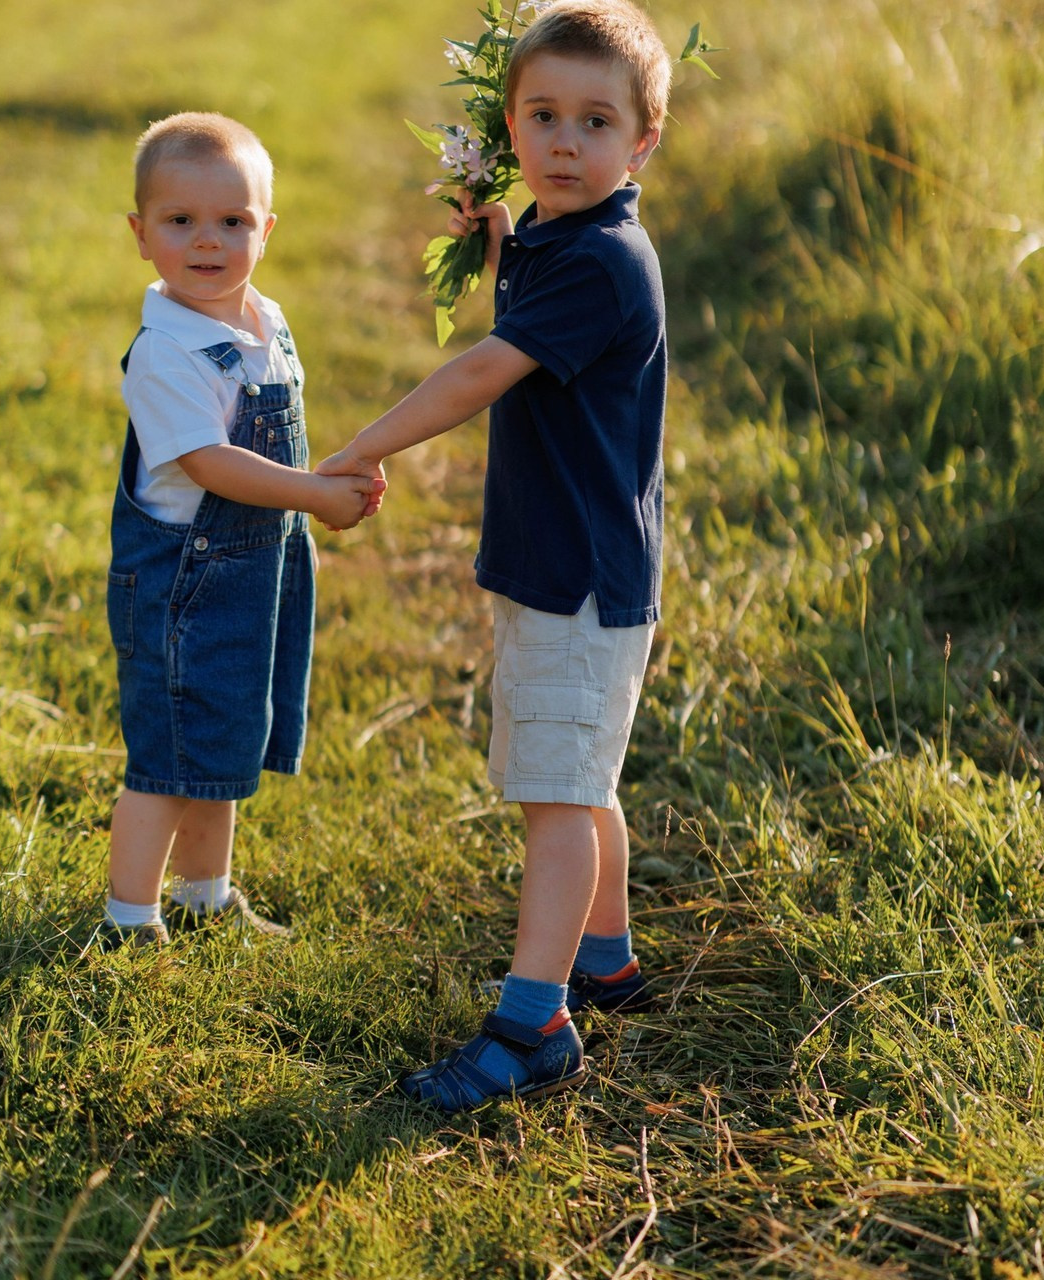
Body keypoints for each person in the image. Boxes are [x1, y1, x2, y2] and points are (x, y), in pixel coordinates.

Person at [317, 0, 670, 1109]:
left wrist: (360, 448)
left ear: (642, 142)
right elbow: (536, 272)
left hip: (575, 577)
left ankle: (533, 1023)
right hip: (571, 565)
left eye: (595, 122)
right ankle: (602, 958)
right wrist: (498, 235)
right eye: (541, 115)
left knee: (553, 800)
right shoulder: (564, 236)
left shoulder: (604, 262)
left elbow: (477, 374)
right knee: (580, 779)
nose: (565, 143)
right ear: (508, 122)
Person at [97, 112, 384, 950]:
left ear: (267, 228)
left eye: (233, 221)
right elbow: (211, 462)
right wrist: (311, 495)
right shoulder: (167, 351)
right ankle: (128, 920)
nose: (208, 242)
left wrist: (333, 478)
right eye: (180, 222)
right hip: (183, 585)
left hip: (257, 574)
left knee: (226, 739)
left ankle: (205, 895)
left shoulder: (264, 319)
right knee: (168, 757)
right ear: (141, 234)